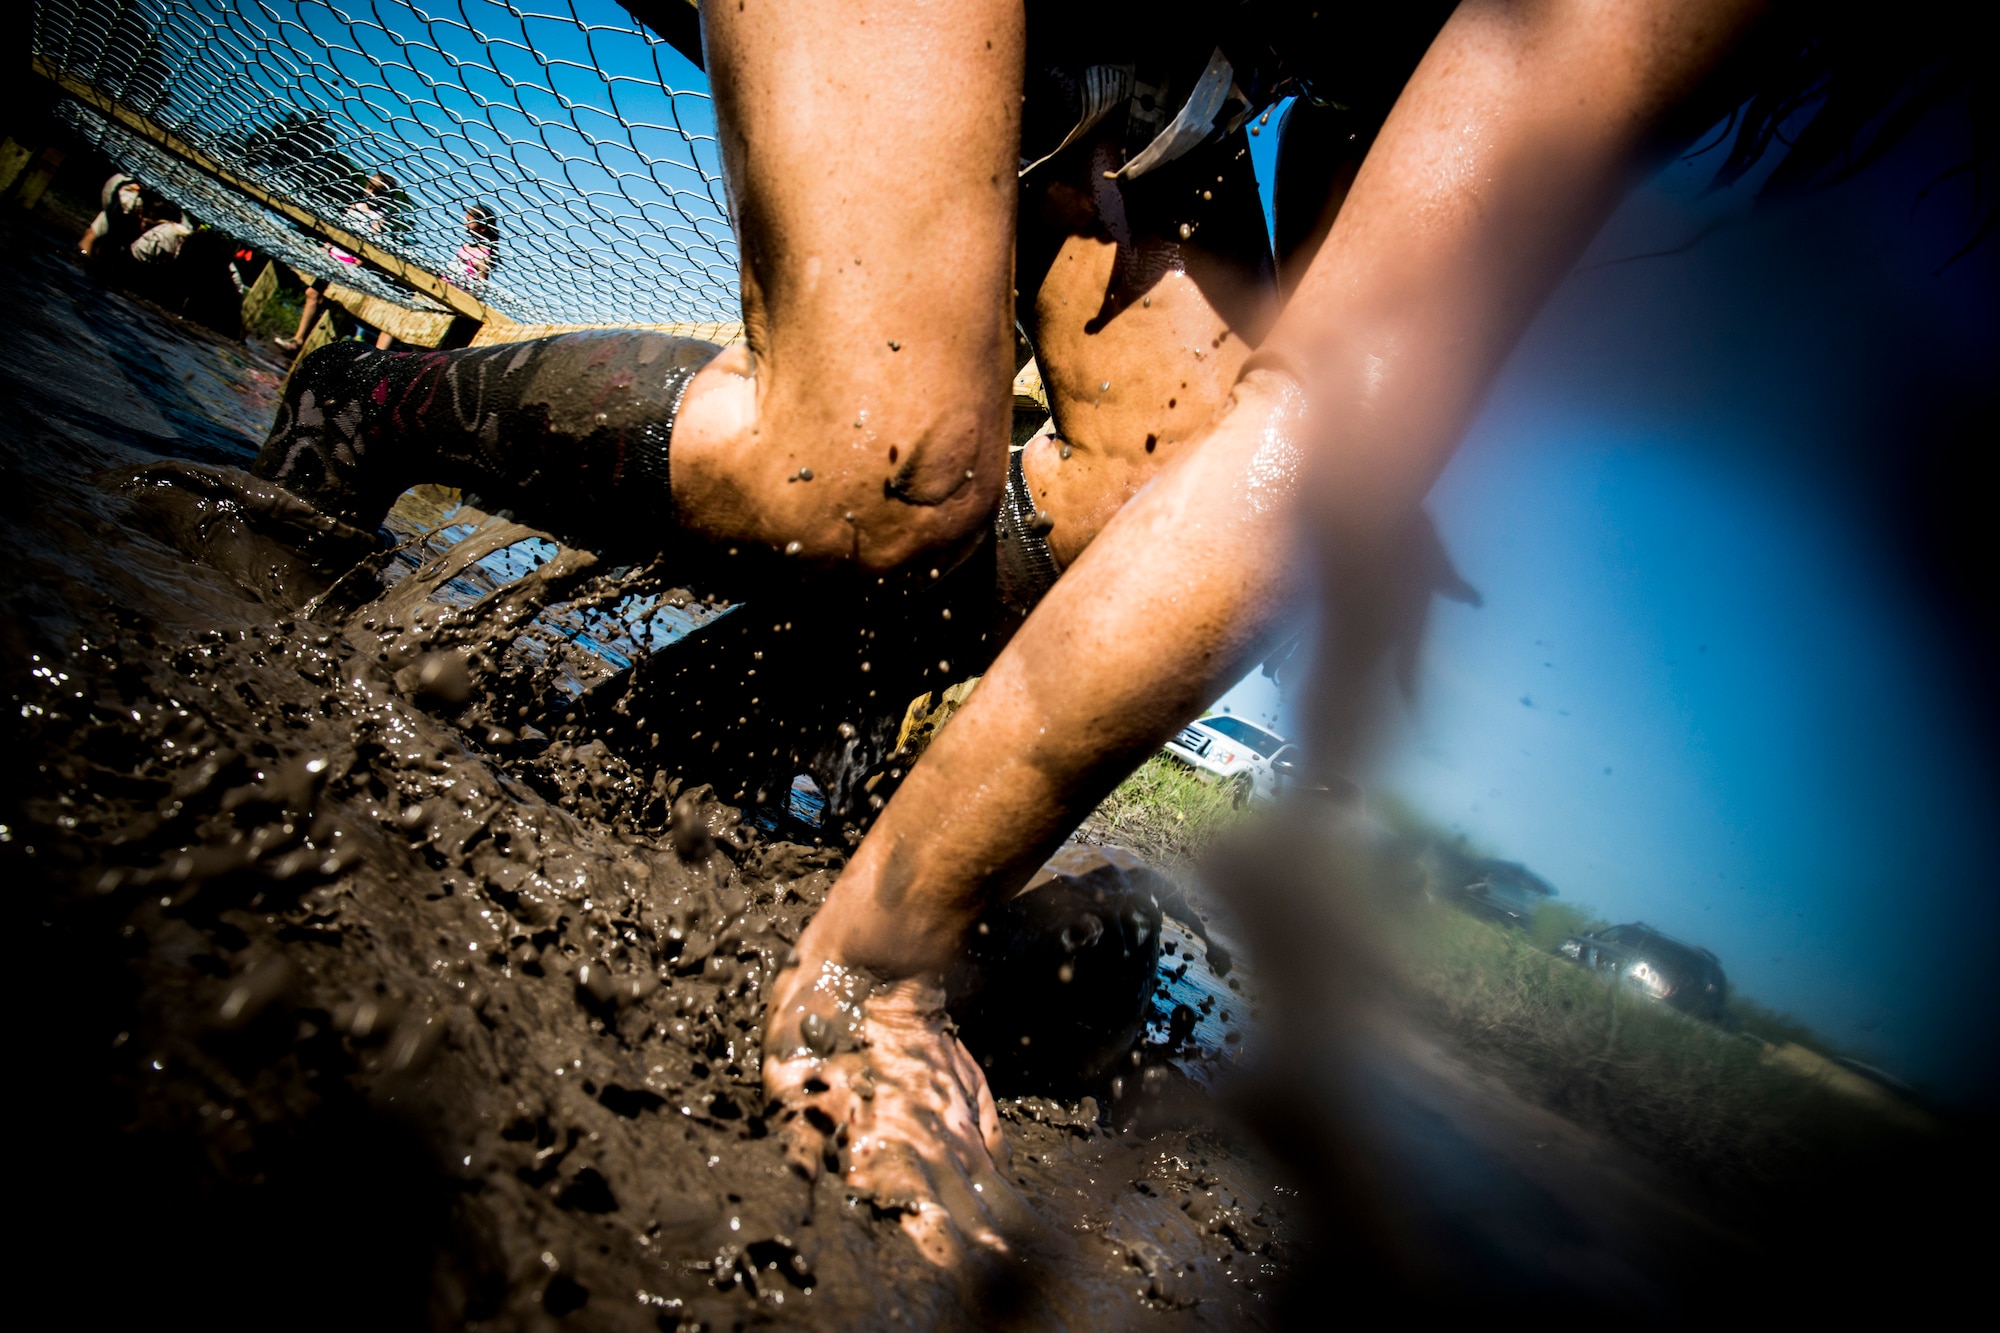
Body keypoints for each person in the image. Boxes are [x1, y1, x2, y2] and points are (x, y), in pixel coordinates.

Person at [247, 0, 1927, 1267]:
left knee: (1162, 498)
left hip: (1141, 66)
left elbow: (1320, 414)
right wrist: (880, 975)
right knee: (879, 453)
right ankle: (378, 395)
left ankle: (678, 746)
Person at [275, 172, 403, 355]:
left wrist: (358, 262)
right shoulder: (355, 206)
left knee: (331, 306)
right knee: (313, 293)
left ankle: (310, 347)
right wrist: (326, 246)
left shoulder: (377, 217)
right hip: (333, 255)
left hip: (347, 262)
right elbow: (340, 229)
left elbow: (371, 242)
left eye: (378, 192)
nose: (371, 194)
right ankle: (298, 340)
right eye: (370, 188)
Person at [77, 172, 146, 259]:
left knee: (107, 241)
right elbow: (86, 241)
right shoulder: (123, 207)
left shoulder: (127, 207)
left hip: (128, 191)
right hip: (125, 190)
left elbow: (86, 241)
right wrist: (84, 255)